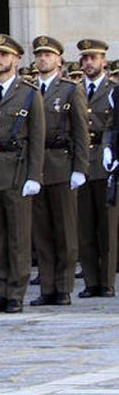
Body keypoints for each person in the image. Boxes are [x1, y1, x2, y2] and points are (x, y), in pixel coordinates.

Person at [0, 34, 45, 315]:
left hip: (16, 170)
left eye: (4, 55)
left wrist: (34, 175)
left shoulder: (29, 93)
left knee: (17, 237)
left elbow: (37, 137)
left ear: (16, 59)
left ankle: (16, 292)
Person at [30, 36, 88, 306]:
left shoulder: (69, 89)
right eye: (39, 55)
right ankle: (47, 286)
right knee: (42, 231)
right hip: (36, 167)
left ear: (58, 60)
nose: (42, 59)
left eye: (47, 55)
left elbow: (80, 131)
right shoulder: (29, 90)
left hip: (61, 164)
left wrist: (79, 167)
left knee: (64, 230)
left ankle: (63, 287)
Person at [77, 38, 117, 298]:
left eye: (94, 58)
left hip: (105, 162)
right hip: (81, 161)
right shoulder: (75, 89)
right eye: (86, 58)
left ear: (104, 61)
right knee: (85, 225)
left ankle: (107, 281)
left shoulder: (113, 90)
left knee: (107, 227)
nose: (89, 63)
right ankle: (91, 281)